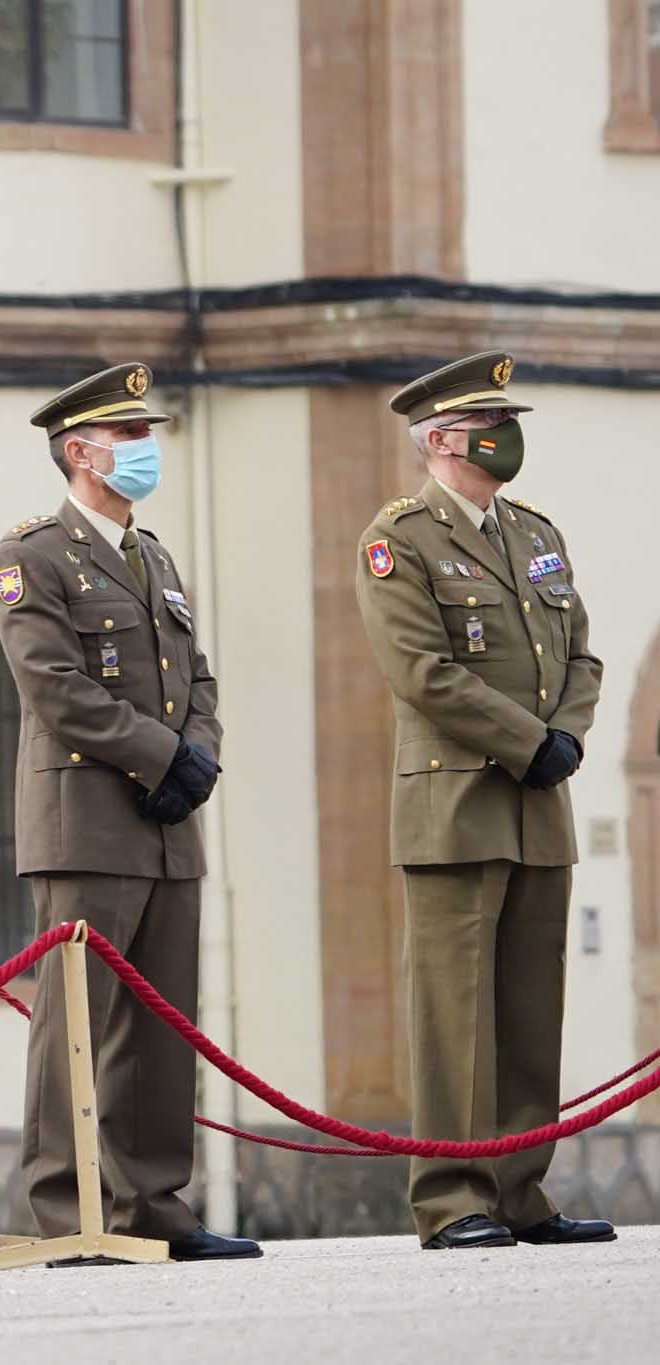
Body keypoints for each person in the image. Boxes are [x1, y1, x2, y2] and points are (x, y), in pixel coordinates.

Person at [0, 363, 257, 1262]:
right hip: (88, 821)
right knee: (75, 1021)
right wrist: (160, 752)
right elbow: (56, 688)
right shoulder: (33, 554)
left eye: (147, 434)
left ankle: (154, 1204)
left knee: (159, 1021)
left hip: (169, 821)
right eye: (129, 436)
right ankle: (68, 1211)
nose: (146, 450)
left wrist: (200, 753)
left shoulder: (154, 556)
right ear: (80, 450)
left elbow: (198, 676)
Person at [353, 352, 613, 1251]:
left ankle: (520, 1187)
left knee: (531, 1005)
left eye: (507, 420)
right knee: (454, 1012)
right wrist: (528, 739)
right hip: (455, 805)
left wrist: (568, 733)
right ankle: (452, 1195)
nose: (505, 437)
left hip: (540, 804)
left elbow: (581, 651)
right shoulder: (401, 538)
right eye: (484, 425)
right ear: (437, 440)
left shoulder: (535, 532)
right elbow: (421, 671)